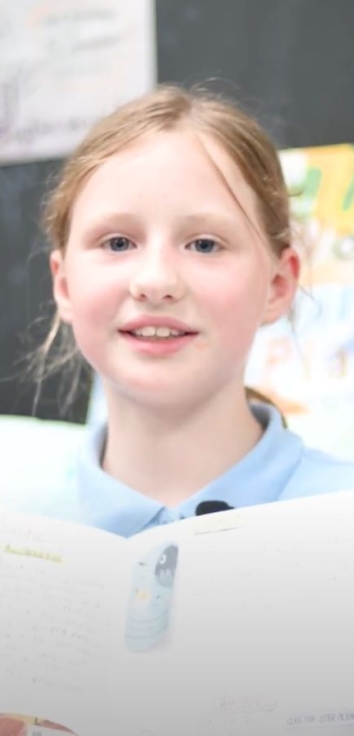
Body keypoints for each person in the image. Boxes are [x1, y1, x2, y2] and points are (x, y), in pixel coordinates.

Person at [33, 84, 354, 536]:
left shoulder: (342, 519)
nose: (156, 281)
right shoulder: (10, 547)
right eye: (118, 242)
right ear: (64, 284)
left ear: (277, 285)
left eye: (205, 244)